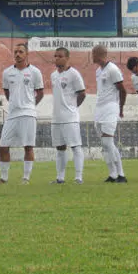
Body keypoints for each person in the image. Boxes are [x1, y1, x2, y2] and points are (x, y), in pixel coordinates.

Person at [0, 43, 44, 185]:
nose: (17, 54)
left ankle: (26, 178)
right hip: (12, 114)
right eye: (15, 52)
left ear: (26, 54)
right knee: (3, 146)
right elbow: (6, 91)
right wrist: (15, 103)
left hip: (28, 113)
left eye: (21, 52)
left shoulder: (35, 72)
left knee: (28, 146)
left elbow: (40, 92)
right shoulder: (7, 72)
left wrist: (30, 105)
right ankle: (4, 178)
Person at [50, 47, 86, 184]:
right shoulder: (53, 75)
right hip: (56, 117)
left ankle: (78, 177)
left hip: (70, 118)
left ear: (67, 58)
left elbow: (82, 93)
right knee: (60, 148)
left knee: (75, 146)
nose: (56, 58)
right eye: (55, 56)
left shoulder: (74, 74)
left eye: (59, 56)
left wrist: (73, 108)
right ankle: (60, 177)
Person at [92, 45, 127, 183]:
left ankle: (121, 174)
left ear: (98, 54)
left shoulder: (113, 69)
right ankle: (112, 174)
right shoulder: (98, 71)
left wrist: (121, 108)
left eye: (93, 53)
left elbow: (122, 90)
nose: (92, 56)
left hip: (110, 108)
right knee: (104, 143)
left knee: (108, 141)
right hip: (99, 108)